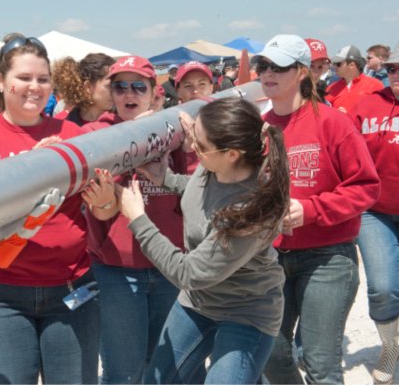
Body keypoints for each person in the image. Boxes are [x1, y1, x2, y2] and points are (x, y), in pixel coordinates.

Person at [0, 34, 99, 384]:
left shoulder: (74, 133)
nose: (35, 87)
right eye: (24, 78)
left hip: (72, 287)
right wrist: (30, 170)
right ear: (0, 81)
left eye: (43, 79)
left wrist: (106, 199)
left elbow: (102, 209)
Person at [118, 99, 289, 384]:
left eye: (200, 144)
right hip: (198, 303)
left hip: (246, 311)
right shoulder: (214, 168)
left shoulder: (248, 210)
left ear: (232, 153)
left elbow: (188, 272)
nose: (193, 147)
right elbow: (199, 192)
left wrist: (138, 218)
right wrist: (166, 179)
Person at [255, 34, 380, 384]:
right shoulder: (259, 129)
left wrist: (310, 210)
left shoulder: (331, 122)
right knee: (271, 355)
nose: (268, 73)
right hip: (271, 258)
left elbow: (366, 187)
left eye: (278, 67)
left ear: (302, 72)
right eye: (264, 66)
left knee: (321, 364)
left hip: (327, 257)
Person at [80, 55, 187, 384]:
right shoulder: (94, 133)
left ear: (155, 91)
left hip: (169, 266)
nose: (129, 93)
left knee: (166, 368)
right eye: (120, 86)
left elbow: (197, 186)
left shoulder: (174, 128)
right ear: (110, 93)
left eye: (138, 86)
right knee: (123, 373)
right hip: (117, 270)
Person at [349, 49, 399, 384]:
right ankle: (390, 348)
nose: (396, 74)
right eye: (393, 68)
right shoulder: (366, 105)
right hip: (374, 211)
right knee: (382, 287)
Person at [52, 53, 116, 126]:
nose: (117, 91)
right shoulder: (61, 124)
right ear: (88, 87)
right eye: (110, 86)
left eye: (119, 85)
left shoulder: (123, 120)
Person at [326, 44, 384, 114]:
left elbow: (381, 114)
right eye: (334, 63)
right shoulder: (330, 88)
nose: (334, 66)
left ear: (351, 65)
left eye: (338, 64)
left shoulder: (375, 86)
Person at [305, 38, 337, 102]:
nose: (316, 73)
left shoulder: (323, 100)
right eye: (311, 66)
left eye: (320, 67)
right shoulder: (283, 95)